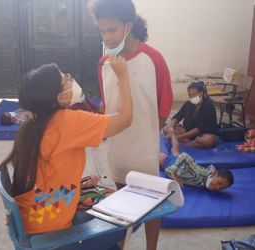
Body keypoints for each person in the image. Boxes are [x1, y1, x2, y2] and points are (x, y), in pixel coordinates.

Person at [0, 56, 133, 249]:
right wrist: (123, 76)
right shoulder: (69, 121)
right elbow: (125, 119)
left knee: (104, 193)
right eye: (65, 79)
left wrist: (77, 185)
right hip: (53, 230)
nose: (70, 79)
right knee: (131, 216)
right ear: (58, 97)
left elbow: (47, 174)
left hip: (32, 217)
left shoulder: (31, 125)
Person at [88, 0, 173, 249]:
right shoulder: (104, 63)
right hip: (117, 149)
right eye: (102, 31)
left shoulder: (153, 59)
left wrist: (147, 137)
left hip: (144, 149)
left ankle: (151, 247)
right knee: (122, 202)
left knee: (152, 204)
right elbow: (108, 105)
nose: (107, 37)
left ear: (129, 26)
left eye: (112, 30)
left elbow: (164, 106)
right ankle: (122, 244)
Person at [160, 128, 234, 190]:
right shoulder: (201, 174)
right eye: (219, 183)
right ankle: (164, 135)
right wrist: (174, 171)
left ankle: (172, 135)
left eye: (221, 188)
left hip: (177, 165)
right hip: (169, 163)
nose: (217, 188)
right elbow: (184, 156)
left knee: (175, 150)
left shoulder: (206, 181)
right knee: (161, 153)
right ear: (214, 174)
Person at [164, 81, 219, 148]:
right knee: (166, 129)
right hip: (188, 133)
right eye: (190, 95)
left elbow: (199, 129)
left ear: (201, 93)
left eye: (194, 94)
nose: (192, 97)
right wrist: (171, 127)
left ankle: (184, 143)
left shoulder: (208, 106)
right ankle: (189, 142)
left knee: (208, 140)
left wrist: (177, 138)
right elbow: (178, 116)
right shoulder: (189, 104)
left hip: (203, 134)